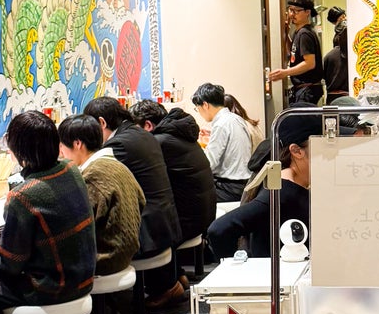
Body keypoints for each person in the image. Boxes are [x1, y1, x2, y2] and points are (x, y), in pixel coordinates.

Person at [58, 114, 145, 314]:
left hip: (107, 257)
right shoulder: (116, 164)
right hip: (127, 251)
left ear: (76, 144)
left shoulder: (92, 174)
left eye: (62, 146)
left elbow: (80, 226)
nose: (60, 153)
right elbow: (142, 200)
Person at [84, 96, 184, 310]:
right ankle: (172, 280)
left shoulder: (117, 145)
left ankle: (110, 309)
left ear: (101, 122)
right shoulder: (140, 133)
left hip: (149, 230)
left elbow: (95, 176)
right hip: (166, 221)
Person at [0, 111, 96, 309]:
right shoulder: (70, 168)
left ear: (19, 151)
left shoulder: (22, 196)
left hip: (55, 289)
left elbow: (10, 265)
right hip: (85, 279)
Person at [206, 110, 319, 259]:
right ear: (296, 151)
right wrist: (240, 271)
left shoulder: (288, 184)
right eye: (322, 146)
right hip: (282, 279)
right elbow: (219, 230)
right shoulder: (281, 193)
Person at [129, 99, 216, 246]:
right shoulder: (179, 133)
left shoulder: (158, 143)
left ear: (148, 125)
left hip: (187, 224)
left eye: (134, 130)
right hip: (203, 217)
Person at [191, 82, 255, 202]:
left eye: (197, 108)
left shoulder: (220, 125)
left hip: (228, 188)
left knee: (188, 196)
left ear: (205, 105)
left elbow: (210, 163)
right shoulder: (236, 118)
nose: (198, 112)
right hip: (243, 184)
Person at [268, 0, 324, 105]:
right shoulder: (299, 32)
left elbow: (310, 63)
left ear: (307, 12)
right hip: (304, 90)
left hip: (307, 89)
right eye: (290, 10)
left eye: (296, 11)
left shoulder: (304, 34)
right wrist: (286, 33)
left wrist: (285, 72)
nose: (292, 14)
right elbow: (293, 53)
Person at [324, 21, 349, 100]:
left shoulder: (329, 56)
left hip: (332, 99)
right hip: (350, 99)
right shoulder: (353, 55)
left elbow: (323, 76)